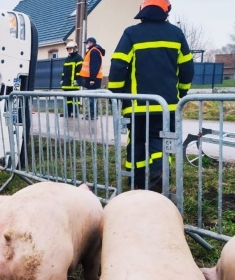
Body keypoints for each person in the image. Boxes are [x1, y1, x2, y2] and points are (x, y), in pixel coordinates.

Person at [107, 0, 194, 192]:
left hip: (138, 107)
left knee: (136, 143)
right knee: (162, 145)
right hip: (166, 107)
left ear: (142, 10)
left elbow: (118, 65)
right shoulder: (176, 35)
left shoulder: (131, 33)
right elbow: (187, 68)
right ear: (166, 11)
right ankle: (158, 188)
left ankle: (135, 185)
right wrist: (181, 93)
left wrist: (117, 95)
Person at [77, 37, 105, 120]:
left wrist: (92, 79)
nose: (86, 44)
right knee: (92, 98)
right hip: (92, 78)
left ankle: (92, 115)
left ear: (91, 43)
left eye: (87, 43)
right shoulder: (93, 51)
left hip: (93, 79)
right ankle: (92, 114)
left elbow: (94, 66)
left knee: (91, 98)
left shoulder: (94, 51)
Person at [60, 41, 83, 118]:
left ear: (75, 48)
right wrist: (62, 79)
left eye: (71, 48)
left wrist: (78, 80)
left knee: (75, 100)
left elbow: (80, 71)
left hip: (74, 83)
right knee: (68, 100)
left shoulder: (79, 58)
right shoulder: (67, 59)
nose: (69, 50)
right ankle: (68, 113)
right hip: (66, 84)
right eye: (68, 49)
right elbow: (64, 71)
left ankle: (76, 113)